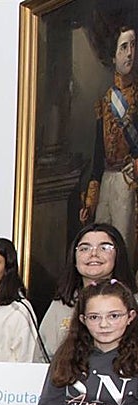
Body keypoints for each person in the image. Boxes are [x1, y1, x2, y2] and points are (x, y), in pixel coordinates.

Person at [80, 21, 137, 259]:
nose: (130, 53)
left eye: (133, 46)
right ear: (113, 56)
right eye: (123, 47)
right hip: (107, 180)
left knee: (124, 248)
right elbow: (98, 156)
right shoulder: (104, 103)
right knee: (101, 243)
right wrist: (90, 201)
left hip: (129, 181)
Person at [37, 223, 134, 360]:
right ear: (74, 258)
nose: (93, 254)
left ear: (118, 255)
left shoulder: (133, 302)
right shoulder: (63, 304)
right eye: (84, 248)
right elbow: (41, 357)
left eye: (104, 248)